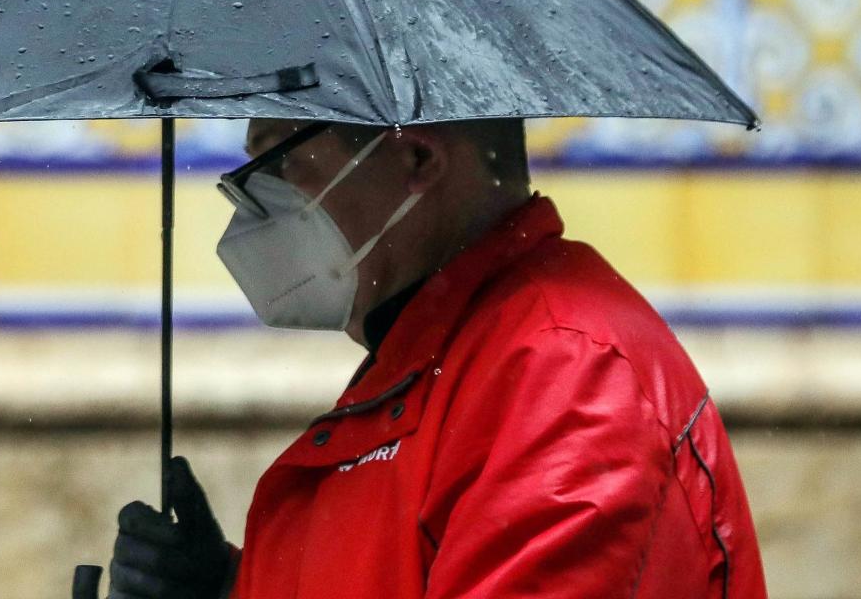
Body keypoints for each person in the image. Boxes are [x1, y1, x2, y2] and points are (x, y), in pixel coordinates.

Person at [104, 118, 766, 599]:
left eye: (277, 164)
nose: (253, 210)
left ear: (416, 159)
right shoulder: (436, 360)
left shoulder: (564, 376)